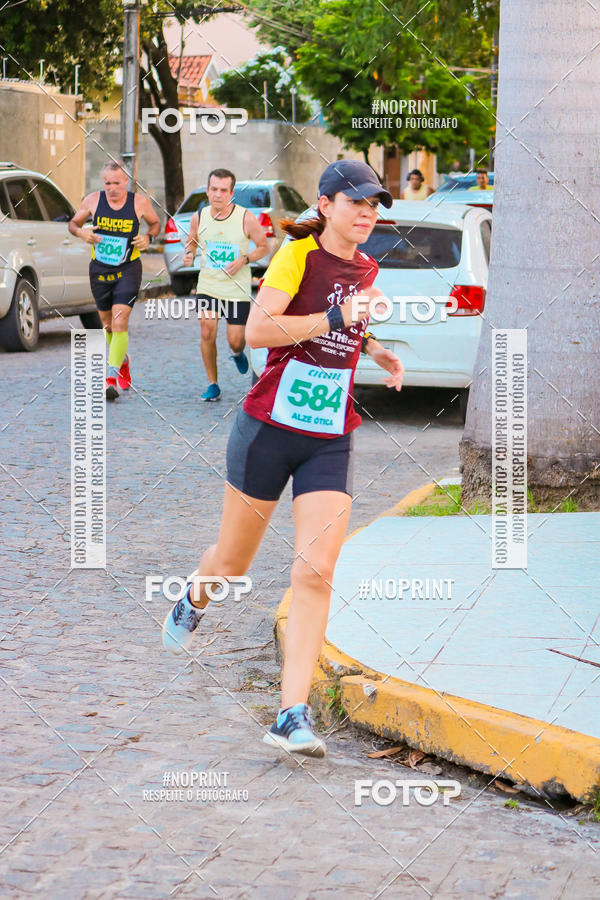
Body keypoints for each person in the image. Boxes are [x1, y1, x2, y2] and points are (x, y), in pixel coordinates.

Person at [162, 159, 405, 758]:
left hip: (328, 432)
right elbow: (260, 333)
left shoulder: (368, 266)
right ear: (325, 205)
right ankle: (195, 595)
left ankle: (290, 714)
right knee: (232, 564)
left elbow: (348, 324)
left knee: (317, 570)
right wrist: (336, 316)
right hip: (268, 427)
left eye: (374, 205)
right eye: (357, 203)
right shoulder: (298, 255)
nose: (368, 213)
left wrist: (373, 348)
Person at [69, 161, 160, 400]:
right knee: (108, 326)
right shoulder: (92, 200)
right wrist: (82, 233)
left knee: (120, 322)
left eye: (116, 183)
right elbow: (73, 224)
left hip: (128, 268)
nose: (111, 188)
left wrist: (148, 238)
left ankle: (110, 378)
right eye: (107, 183)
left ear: (126, 181)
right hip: (99, 269)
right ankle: (123, 360)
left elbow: (155, 223)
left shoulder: (139, 203)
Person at [182, 169, 269, 401]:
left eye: (223, 190)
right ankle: (213, 383)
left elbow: (264, 246)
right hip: (209, 286)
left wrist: (244, 259)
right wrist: (189, 253)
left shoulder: (246, 218)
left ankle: (237, 352)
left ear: (231, 193)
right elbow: (192, 240)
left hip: (236, 290)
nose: (217, 194)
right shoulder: (199, 216)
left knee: (235, 339)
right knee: (207, 329)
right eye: (214, 189)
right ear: (208, 190)